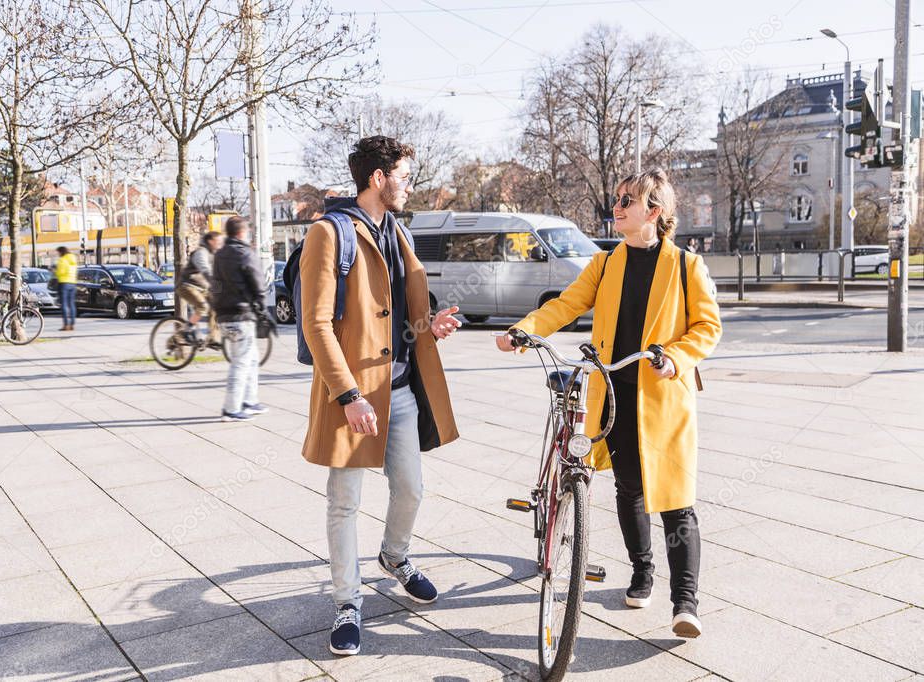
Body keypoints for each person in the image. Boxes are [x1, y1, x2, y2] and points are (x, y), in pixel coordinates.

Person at [496, 168, 722, 638]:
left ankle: (686, 602)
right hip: (613, 395)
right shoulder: (605, 263)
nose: (615, 207)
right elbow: (566, 304)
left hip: (662, 400)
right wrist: (526, 331)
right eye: (617, 200)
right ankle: (642, 571)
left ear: (654, 211)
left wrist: (675, 357)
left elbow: (707, 328)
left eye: (626, 200)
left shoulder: (686, 266)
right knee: (629, 490)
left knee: (677, 503)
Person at [300, 136, 462, 657]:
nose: (410, 184)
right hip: (353, 395)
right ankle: (348, 604)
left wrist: (428, 326)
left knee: (411, 489)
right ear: (378, 178)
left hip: (400, 391)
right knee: (344, 501)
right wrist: (348, 394)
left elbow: (402, 316)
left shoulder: (399, 234)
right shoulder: (329, 234)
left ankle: (395, 557)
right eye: (405, 176)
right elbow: (316, 324)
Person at [211, 216, 265, 421]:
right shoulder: (244, 253)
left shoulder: (220, 254)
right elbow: (258, 283)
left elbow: (215, 284)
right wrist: (260, 304)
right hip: (241, 314)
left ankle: (249, 400)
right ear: (242, 233)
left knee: (250, 358)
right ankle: (231, 409)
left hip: (224, 315)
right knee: (241, 361)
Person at [178, 231, 224, 347]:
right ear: (210, 241)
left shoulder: (212, 254)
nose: (220, 244)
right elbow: (206, 271)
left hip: (199, 287)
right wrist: (215, 285)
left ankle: (213, 338)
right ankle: (187, 330)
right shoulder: (201, 253)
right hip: (186, 285)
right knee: (203, 307)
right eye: (218, 241)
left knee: (215, 306)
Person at [55, 246, 78, 331]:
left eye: (58, 253)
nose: (58, 254)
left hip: (64, 283)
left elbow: (60, 272)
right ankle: (72, 324)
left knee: (64, 304)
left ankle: (66, 325)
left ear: (61, 252)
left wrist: (55, 271)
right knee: (71, 304)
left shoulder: (62, 260)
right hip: (73, 283)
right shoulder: (73, 259)